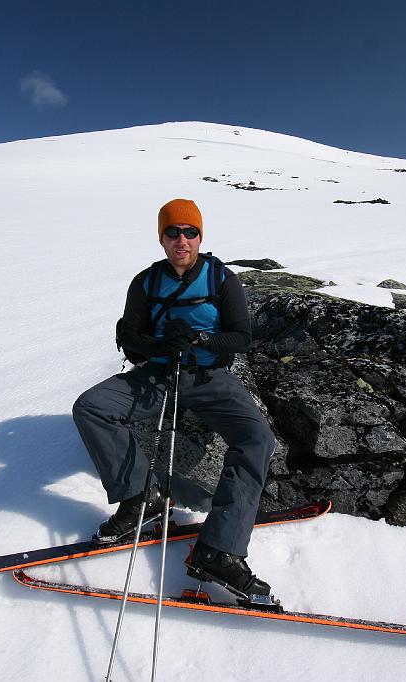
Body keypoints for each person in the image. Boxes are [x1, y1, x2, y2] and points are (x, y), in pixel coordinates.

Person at [72, 198, 277, 599]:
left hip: (209, 376)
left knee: (257, 438)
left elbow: (242, 336)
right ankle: (140, 497)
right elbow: (129, 335)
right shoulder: (146, 282)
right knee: (92, 407)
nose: (181, 240)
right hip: (159, 376)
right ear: (161, 238)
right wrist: (159, 342)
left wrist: (202, 339)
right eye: (172, 232)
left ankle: (219, 549)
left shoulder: (221, 278)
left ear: (201, 236)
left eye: (190, 232)